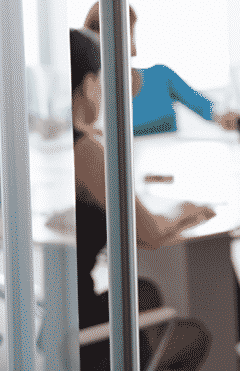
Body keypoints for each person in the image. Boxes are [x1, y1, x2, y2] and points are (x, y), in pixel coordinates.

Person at [70, 29, 213, 371]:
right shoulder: (85, 151)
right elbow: (149, 234)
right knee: (197, 333)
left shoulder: (56, 139)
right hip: (81, 330)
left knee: (145, 292)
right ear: (90, 84)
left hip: (57, 314)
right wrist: (185, 213)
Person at [84, 2, 239, 136]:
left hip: (171, 165)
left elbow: (205, 106)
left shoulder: (160, 77)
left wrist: (225, 116)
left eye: (125, 31)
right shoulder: (90, 94)